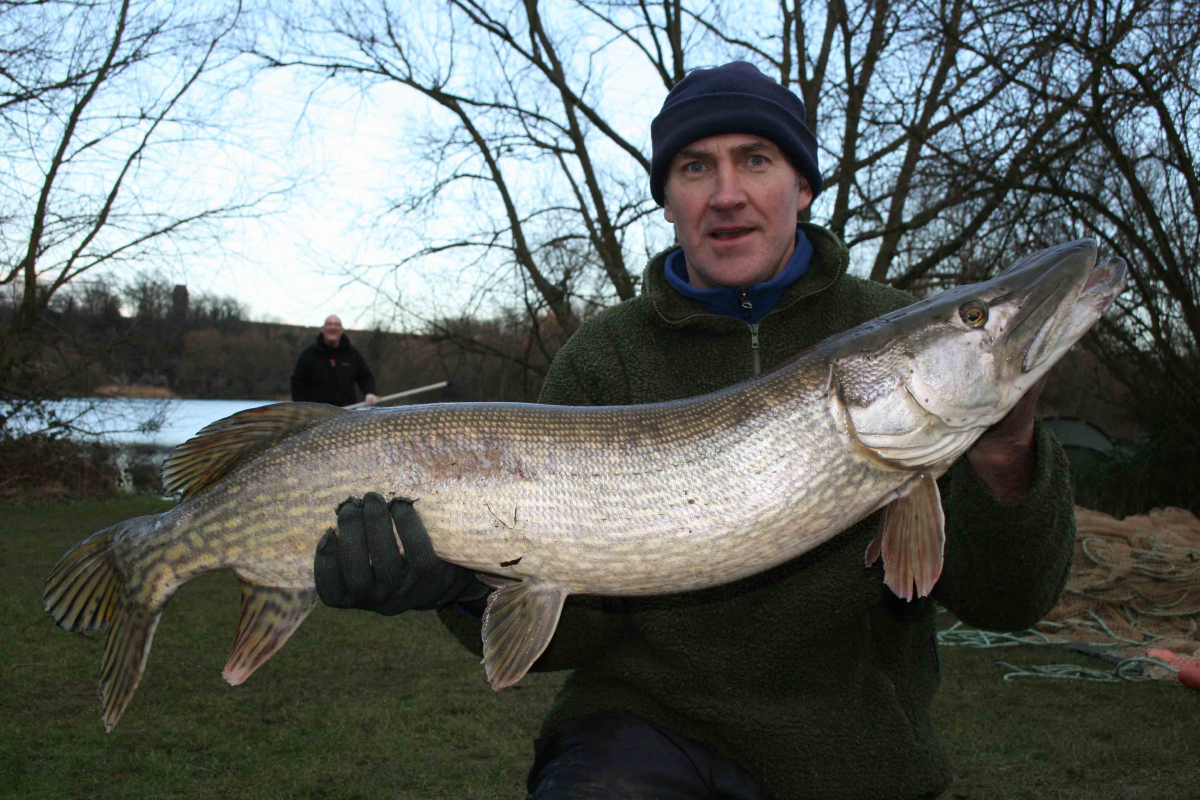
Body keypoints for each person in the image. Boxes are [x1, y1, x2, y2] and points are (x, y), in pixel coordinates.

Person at [314, 62, 1076, 799]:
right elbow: (569, 637)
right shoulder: (604, 358)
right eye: (695, 167)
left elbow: (1010, 604)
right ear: (668, 201)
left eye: (756, 159)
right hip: (643, 728)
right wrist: (460, 586)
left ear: (803, 186)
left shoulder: (883, 322)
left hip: (850, 746)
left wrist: (1007, 448)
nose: (727, 194)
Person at [290, 314, 378, 408]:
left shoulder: (353, 355)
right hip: (316, 413)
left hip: (347, 413)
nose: (333, 327)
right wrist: (300, 407)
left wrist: (370, 393)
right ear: (323, 329)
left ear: (342, 330)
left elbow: (366, 377)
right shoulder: (308, 354)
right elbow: (297, 382)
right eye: (329, 324)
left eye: (337, 325)